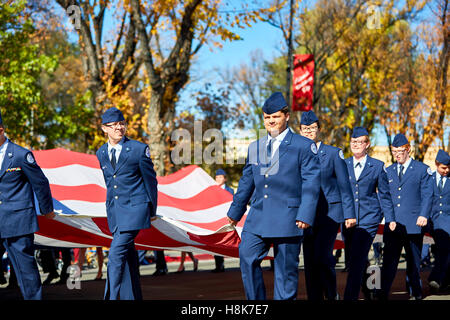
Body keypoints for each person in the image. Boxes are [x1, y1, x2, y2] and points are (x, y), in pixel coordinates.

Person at [227, 92, 321, 300]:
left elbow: (311, 182)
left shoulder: (303, 146)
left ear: (286, 117)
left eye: (275, 116)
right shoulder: (255, 147)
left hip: (289, 218)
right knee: (247, 256)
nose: (271, 121)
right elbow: (246, 182)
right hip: (258, 217)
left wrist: (305, 214)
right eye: (267, 117)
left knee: (285, 274)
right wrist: (234, 212)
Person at [97, 107, 158, 300]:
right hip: (116, 213)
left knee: (115, 256)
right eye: (113, 125)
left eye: (121, 123)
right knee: (129, 258)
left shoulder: (139, 149)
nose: (118, 128)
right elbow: (110, 183)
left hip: (135, 210)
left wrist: (152, 210)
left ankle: (111, 297)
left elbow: (150, 181)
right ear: (104, 129)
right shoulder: (101, 153)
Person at [299, 110, 356, 300]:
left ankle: (332, 294)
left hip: (330, 214)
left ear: (319, 130)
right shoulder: (295, 154)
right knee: (309, 260)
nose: (309, 132)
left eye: (312, 128)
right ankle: (314, 297)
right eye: (305, 129)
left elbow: (344, 185)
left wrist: (349, 214)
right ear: (300, 131)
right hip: (305, 216)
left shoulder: (333, 153)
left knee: (323, 257)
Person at [0, 109, 55, 300]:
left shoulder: (20, 155)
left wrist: (47, 209)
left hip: (18, 222)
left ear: (1, 130)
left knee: (27, 273)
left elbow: (40, 182)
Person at [342, 127, 396, 300]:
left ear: (367, 144)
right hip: (348, 219)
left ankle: (350, 296)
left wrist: (390, 218)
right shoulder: (344, 164)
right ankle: (370, 290)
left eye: (360, 142)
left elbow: (385, 195)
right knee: (355, 258)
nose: (356, 145)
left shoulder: (378, 166)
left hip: (369, 218)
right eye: (353, 142)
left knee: (357, 259)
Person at [378, 133, 433, 300]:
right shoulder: (388, 171)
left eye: (400, 151)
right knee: (389, 263)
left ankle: (415, 292)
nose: (397, 154)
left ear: (408, 149)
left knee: (414, 264)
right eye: (394, 151)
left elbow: (427, 194)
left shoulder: (422, 169)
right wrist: (390, 218)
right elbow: (384, 196)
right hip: (394, 225)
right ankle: (382, 293)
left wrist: (424, 215)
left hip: (414, 225)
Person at [427, 149, 450, 293]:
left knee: (446, 249)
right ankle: (436, 279)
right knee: (445, 249)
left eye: (448, 168)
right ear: (436, 164)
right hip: (433, 220)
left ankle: (438, 280)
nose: (446, 170)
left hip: (448, 220)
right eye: (443, 167)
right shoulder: (428, 179)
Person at [212, 168, 234, 273]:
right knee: (216, 241)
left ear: (224, 179)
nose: (218, 179)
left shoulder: (230, 191)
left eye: (220, 177)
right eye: (216, 177)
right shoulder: (213, 190)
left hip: (227, 218)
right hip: (216, 219)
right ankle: (219, 265)